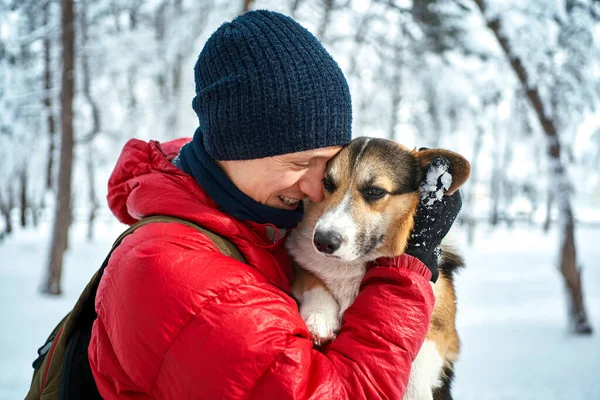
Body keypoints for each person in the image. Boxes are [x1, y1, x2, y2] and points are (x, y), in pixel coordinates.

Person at [88, 10, 460, 399]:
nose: (318, 191)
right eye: (300, 163)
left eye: (327, 166)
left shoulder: (261, 224)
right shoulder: (172, 269)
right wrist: (406, 272)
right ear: (234, 149)